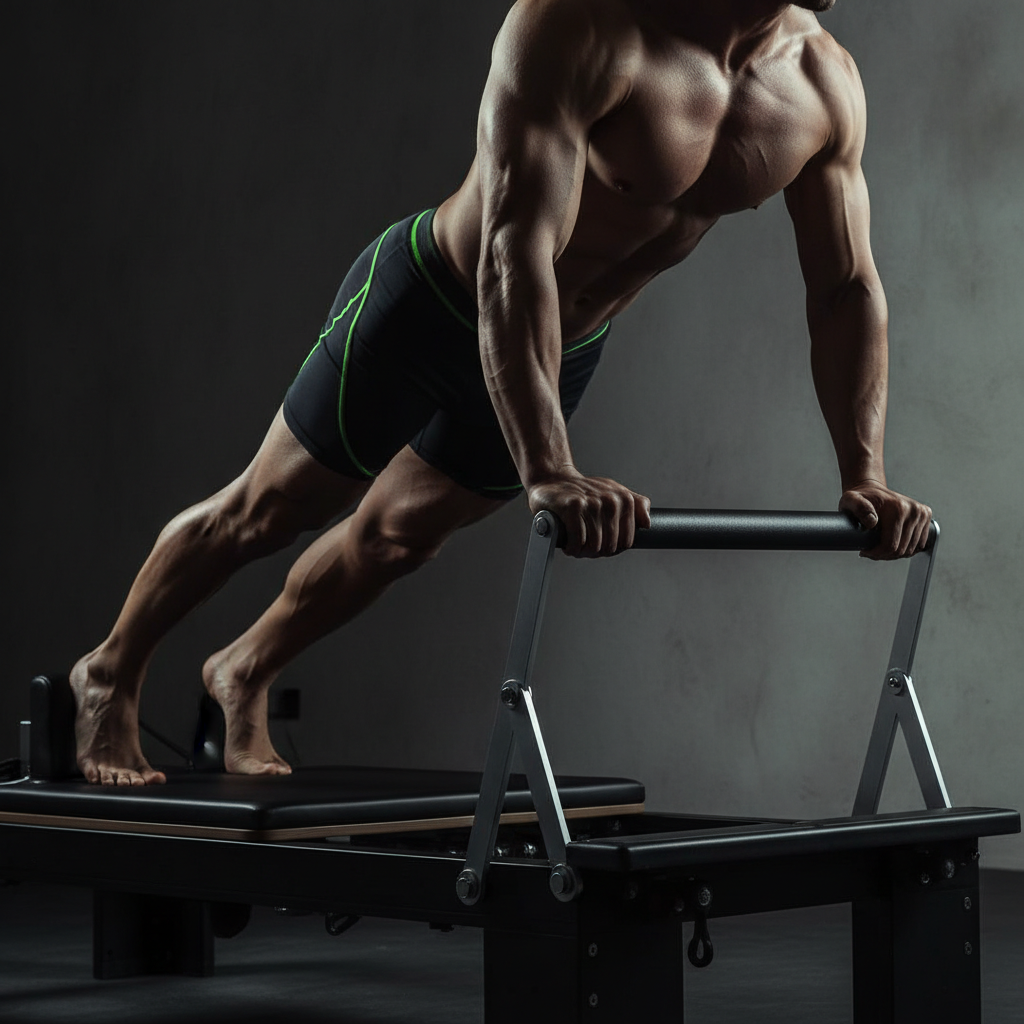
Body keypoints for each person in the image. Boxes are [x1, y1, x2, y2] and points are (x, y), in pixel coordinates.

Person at [71, 0, 933, 786]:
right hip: (435, 301)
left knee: (399, 540)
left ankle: (245, 667)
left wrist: (865, 473)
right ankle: (110, 671)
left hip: (568, 338)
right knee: (269, 510)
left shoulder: (823, 79)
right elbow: (513, 253)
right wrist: (549, 464)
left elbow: (847, 288)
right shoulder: (582, 25)